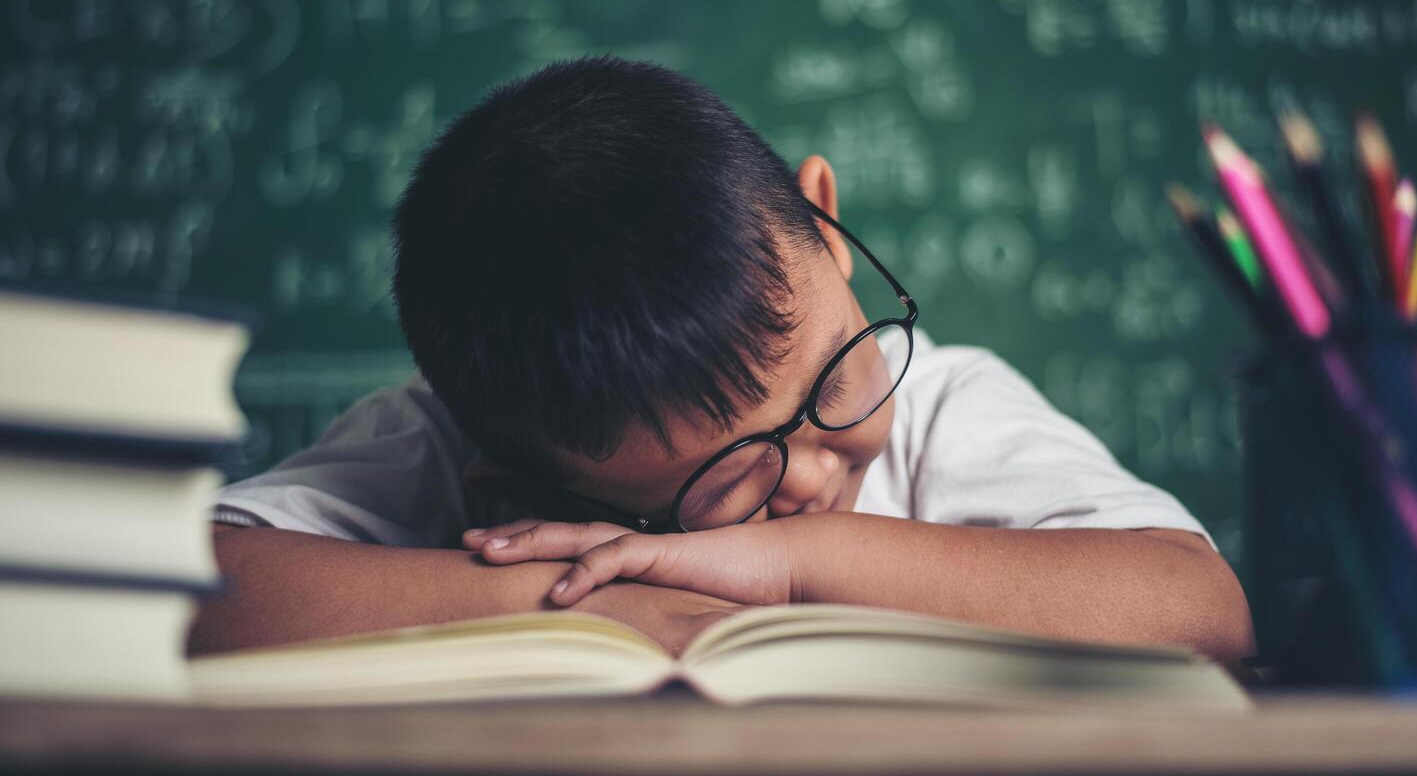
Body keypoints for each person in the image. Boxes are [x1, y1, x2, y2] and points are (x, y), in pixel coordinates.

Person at [195, 55, 1253, 661]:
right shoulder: (441, 434)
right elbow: (180, 592)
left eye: (834, 379)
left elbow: (1196, 608)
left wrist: (789, 565)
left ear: (825, 224)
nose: (806, 472)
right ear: (519, 470)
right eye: (723, 479)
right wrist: (591, 598)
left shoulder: (938, 404)